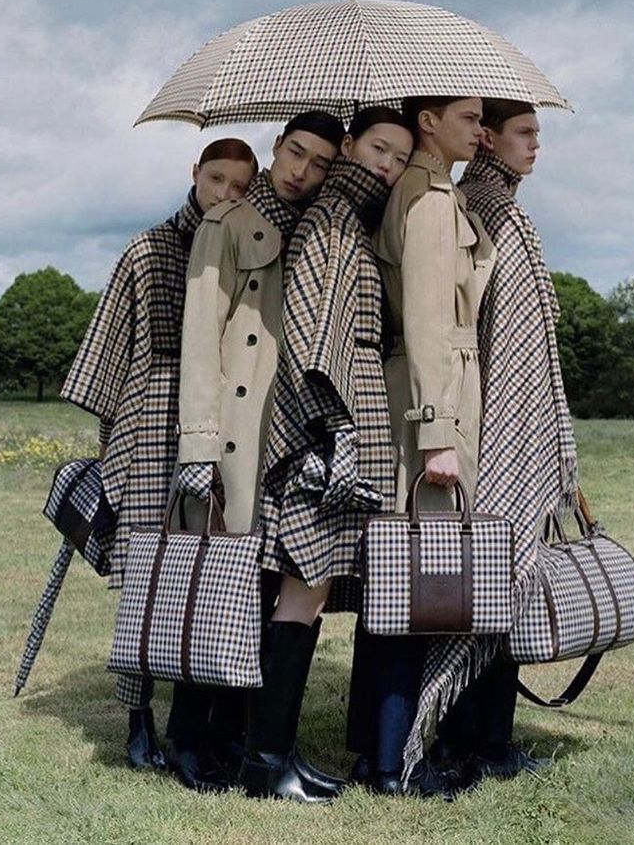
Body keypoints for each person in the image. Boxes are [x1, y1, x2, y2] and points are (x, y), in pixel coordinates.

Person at [61, 138, 258, 775]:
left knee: (211, 569)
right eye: (217, 178)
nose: (226, 193)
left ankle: (203, 710)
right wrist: (118, 446)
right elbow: (106, 357)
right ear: (194, 175)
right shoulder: (148, 250)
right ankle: (138, 718)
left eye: (239, 184)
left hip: (220, 422)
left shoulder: (247, 248)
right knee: (146, 579)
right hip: (150, 426)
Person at [241, 106, 414, 804]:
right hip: (324, 439)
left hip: (337, 429)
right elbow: (308, 335)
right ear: (350, 144)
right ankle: (263, 761)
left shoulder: (347, 219)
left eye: (400, 157)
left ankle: (270, 753)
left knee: (302, 597)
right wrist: (335, 433)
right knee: (300, 592)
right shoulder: (332, 222)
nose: (387, 165)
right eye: (378, 147)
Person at [175, 111, 345, 793]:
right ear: (276, 148)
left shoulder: (317, 231)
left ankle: (251, 744)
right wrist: (198, 444)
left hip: (287, 433)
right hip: (235, 436)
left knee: (271, 587)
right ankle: (191, 741)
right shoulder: (226, 223)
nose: (300, 170)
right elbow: (199, 336)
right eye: (294, 152)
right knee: (220, 582)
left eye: (317, 162)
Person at [426, 98, 576, 778]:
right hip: (488, 426)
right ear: (486, 138)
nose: (535, 146)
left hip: (495, 426)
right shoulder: (491, 213)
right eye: (524, 133)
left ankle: (486, 739)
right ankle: (479, 744)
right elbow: (499, 343)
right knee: (488, 590)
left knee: (490, 590)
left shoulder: (494, 208)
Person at [356, 95, 497, 797]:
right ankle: (393, 763)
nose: (480, 128)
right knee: (416, 582)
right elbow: (427, 322)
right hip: (434, 400)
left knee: (409, 579)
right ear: (428, 123)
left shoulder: (433, 192)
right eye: (468, 116)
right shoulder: (427, 197)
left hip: (434, 392)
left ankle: (379, 749)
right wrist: (438, 431)